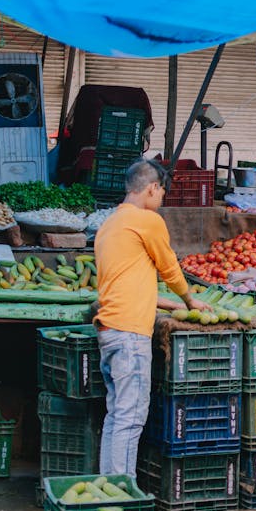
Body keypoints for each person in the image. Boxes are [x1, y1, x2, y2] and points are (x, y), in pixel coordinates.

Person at [93, 159, 210, 477]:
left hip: (109, 330)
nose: (161, 201)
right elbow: (170, 268)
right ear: (151, 188)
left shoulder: (110, 225)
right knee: (130, 418)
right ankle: (124, 501)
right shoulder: (146, 220)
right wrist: (188, 298)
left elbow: (126, 284)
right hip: (130, 335)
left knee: (117, 415)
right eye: (161, 193)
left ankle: (110, 489)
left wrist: (173, 307)